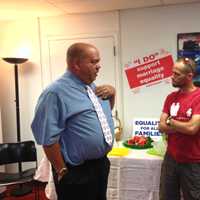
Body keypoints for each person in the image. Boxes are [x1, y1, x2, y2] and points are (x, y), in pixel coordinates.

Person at [31, 42, 116, 200]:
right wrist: (62, 171)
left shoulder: (91, 87)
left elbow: (102, 117)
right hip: (76, 172)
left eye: (98, 61)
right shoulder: (55, 93)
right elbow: (47, 137)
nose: (99, 66)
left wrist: (113, 95)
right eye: (93, 62)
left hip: (100, 165)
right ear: (76, 64)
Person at [158, 57, 200, 200]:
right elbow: (161, 126)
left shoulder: (198, 97)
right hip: (171, 158)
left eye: (177, 74)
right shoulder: (171, 97)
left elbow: (192, 129)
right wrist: (183, 124)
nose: (172, 76)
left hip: (193, 161)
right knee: (166, 197)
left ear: (189, 76)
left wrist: (170, 121)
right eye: (172, 72)